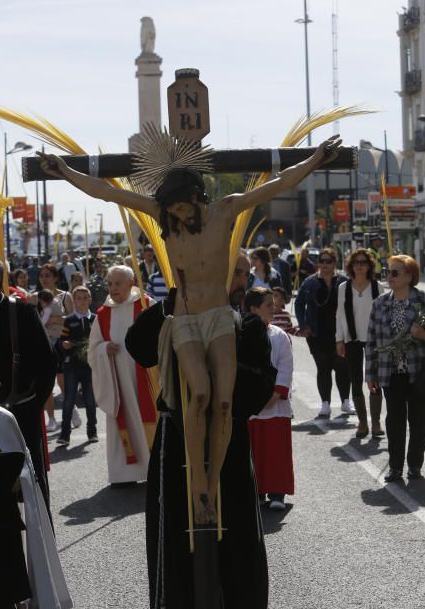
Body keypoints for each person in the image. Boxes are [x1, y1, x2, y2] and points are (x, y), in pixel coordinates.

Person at [38, 133, 341, 525]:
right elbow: (106, 193)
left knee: (225, 403)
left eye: (181, 205)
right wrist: (64, 170)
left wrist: (316, 158)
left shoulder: (225, 210)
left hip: (216, 314)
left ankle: (211, 484)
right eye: (171, 207)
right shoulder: (162, 215)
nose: (176, 213)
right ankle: (198, 483)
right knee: (198, 393)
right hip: (183, 317)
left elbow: (278, 184)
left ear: (196, 198)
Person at [125, 255, 277, 609]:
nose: (243, 279)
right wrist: (173, 304)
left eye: (246, 273)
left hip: (225, 437)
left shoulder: (247, 325)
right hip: (178, 438)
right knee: (181, 532)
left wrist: (219, 374)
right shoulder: (171, 315)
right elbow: (138, 348)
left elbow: (261, 383)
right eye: (237, 271)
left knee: (240, 531)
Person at [0, 356, 73, 609]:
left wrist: (9, 481)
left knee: (2, 554)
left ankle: (6, 607)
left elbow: (19, 465)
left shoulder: (1, 419)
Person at [0, 254, 56, 507]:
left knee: (30, 489)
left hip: (18, 416)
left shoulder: (21, 312)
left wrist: (31, 406)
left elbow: (47, 364)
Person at [365, 255, 425, 482]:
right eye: (387, 271)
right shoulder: (380, 303)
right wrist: (370, 373)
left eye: (395, 272)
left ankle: (415, 464)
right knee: (394, 421)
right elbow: (371, 340)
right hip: (391, 371)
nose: (389, 276)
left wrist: (423, 334)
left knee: (420, 421)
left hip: (420, 371)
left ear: (409, 276)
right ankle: (395, 466)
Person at [88, 266, 156, 486]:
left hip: (144, 378)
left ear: (131, 283)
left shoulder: (146, 305)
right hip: (117, 380)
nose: (113, 288)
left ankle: (153, 468)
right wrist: (104, 348)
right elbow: (93, 349)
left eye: (118, 283)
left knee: (150, 418)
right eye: (110, 284)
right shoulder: (103, 314)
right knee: (122, 421)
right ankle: (123, 475)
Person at [245, 288, 294, 511]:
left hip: (276, 405)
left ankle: (277, 493)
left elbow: (285, 367)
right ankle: (256, 491)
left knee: (275, 451)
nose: (273, 308)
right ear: (253, 309)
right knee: (253, 451)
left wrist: (274, 396)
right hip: (250, 405)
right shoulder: (240, 334)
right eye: (268, 305)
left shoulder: (279, 335)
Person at [295, 247, 354, 418]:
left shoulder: (343, 281)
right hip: (317, 334)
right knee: (323, 368)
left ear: (335, 263)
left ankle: (345, 401)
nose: (325, 264)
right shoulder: (310, 282)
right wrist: (303, 325)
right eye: (322, 261)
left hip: (340, 334)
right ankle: (325, 404)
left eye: (329, 261)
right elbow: (299, 304)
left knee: (342, 368)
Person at [336, 248, 384, 438]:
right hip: (352, 339)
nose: (359, 266)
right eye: (356, 263)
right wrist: (339, 339)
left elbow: (382, 315)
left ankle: (376, 422)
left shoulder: (377, 287)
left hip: (374, 339)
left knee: (375, 380)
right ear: (351, 266)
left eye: (363, 262)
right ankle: (362, 422)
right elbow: (339, 315)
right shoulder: (343, 288)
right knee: (355, 379)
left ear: (369, 266)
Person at [30, 263, 74, 432]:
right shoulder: (33, 297)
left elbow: (72, 320)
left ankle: (71, 411)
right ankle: (51, 418)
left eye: (48, 275)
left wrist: (57, 319)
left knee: (63, 382)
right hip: (41, 345)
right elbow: (30, 322)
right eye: (41, 275)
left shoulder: (65, 296)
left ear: (56, 278)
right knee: (46, 382)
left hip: (61, 344)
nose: (44, 279)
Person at [57, 286, 97, 447]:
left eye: (84, 298)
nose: (81, 301)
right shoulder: (69, 320)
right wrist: (64, 344)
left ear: (90, 300)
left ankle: (92, 431)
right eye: (78, 298)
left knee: (89, 400)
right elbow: (61, 340)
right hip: (72, 365)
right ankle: (65, 434)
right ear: (74, 301)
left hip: (90, 366)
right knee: (68, 400)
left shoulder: (95, 319)